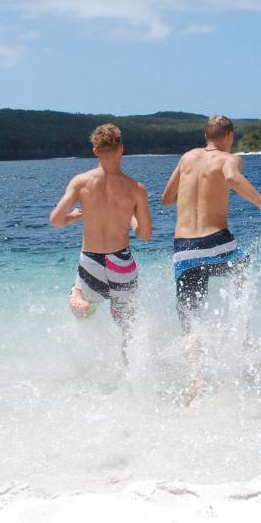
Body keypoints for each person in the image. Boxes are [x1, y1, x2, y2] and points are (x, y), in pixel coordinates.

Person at [162, 115, 261, 404]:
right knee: (242, 269)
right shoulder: (228, 159)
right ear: (229, 136)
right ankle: (241, 334)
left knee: (189, 319)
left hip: (183, 248)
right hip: (215, 241)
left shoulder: (186, 158)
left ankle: (197, 381)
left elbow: (167, 198)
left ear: (206, 135)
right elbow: (233, 179)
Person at [49, 124, 152, 364]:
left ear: (95, 151)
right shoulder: (136, 188)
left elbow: (55, 220)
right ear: (121, 149)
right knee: (127, 325)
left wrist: (75, 216)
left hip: (91, 260)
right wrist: (133, 218)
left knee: (83, 311)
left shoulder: (81, 182)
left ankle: (80, 297)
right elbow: (145, 235)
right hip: (121, 262)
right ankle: (129, 369)